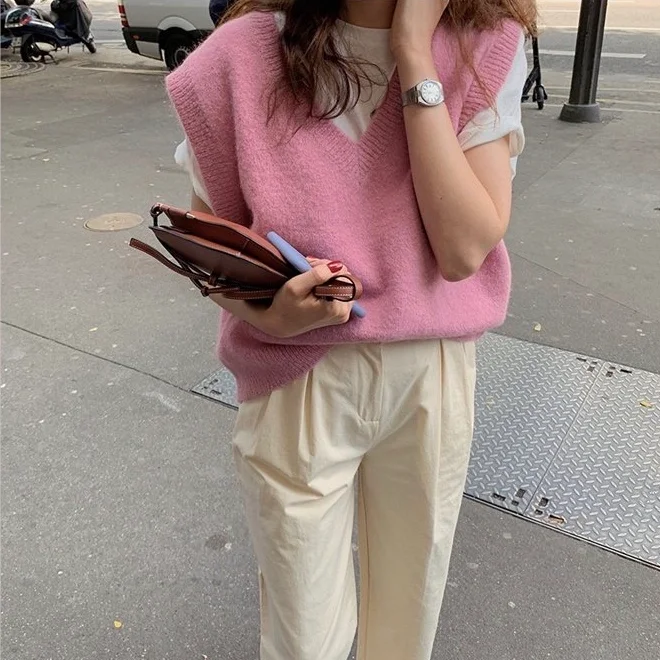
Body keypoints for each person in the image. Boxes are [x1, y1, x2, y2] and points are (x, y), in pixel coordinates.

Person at [169, 0, 536, 658]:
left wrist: (415, 53)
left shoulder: (483, 44)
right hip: (295, 376)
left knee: (408, 621)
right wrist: (268, 313)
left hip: (430, 369)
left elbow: (462, 249)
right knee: (302, 639)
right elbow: (212, 248)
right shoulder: (240, 55)